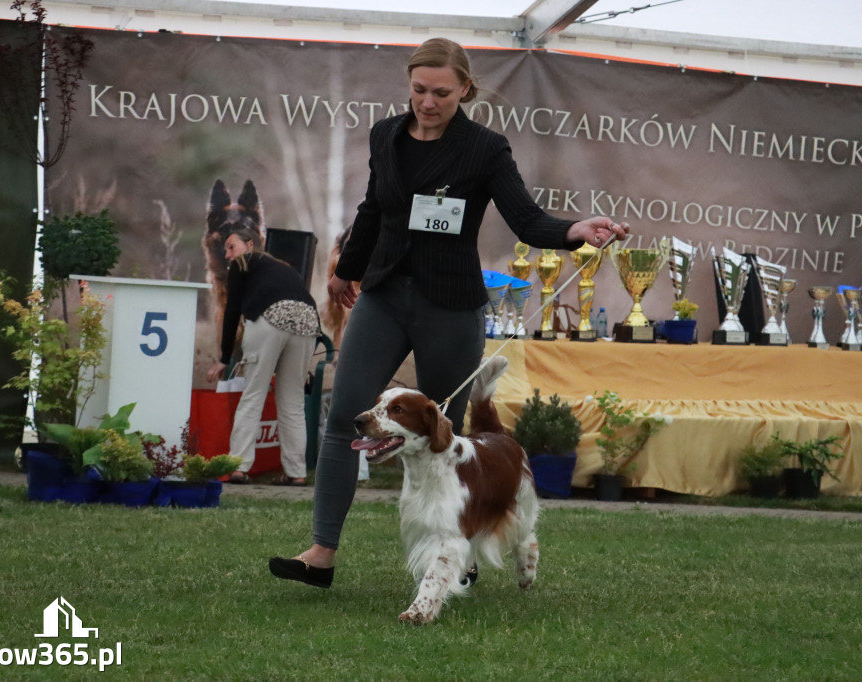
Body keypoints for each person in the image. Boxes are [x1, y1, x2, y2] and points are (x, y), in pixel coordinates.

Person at [268, 37, 629, 588]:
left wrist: (575, 231)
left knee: (444, 433)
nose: (427, 102)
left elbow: (526, 220)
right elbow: (373, 208)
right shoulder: (385, 134)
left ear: (465, 88)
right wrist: (347, 269)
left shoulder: (484, 148)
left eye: (440, 92)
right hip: (385, 294)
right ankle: (321, 553)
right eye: (418, 90)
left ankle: (455, 555)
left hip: (450, 305)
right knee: (346, 417)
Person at [206, 224, 319, 486]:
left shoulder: (243, 263)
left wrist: (225, 357)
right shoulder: (284, 268)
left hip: (269, 318)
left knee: (253, 395)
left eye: (231, 246)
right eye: (225, 250)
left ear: (249, 245)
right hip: (306, 323)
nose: (228, 254)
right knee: (292, 403)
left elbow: (232, 310)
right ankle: (296, 473)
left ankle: (238, 467)